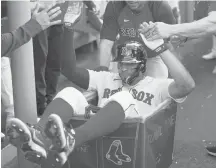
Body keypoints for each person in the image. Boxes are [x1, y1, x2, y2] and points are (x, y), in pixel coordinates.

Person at [6, 24, 195, 167]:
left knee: (124, 97)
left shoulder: (156, 85)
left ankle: (71, 139)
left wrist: (161, 47)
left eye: (130, 64)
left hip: (131, 142)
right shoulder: (107, 78)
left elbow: (187, 85)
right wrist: (68, 27)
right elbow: (69, 70)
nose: (123, 69)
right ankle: (40, 137)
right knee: (71, 92)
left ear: (142, 66)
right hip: (98, 135)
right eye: (121, 63)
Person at [99, 0, 176, 78]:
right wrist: (102, 71)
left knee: (156, 87)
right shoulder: (114, 6)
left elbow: (170, 42)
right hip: (126, 57)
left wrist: (173, 71)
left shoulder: (159, 5)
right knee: (115, 86)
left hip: (153, 56)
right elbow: (106, 42)